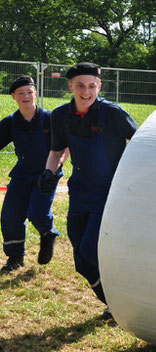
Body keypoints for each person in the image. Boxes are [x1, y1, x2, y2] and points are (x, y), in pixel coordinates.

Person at [38, 62, 138, 318]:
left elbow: (140, 144)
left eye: (92, 86)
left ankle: (125, 300)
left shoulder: (113, 114)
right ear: (70, 86)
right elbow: (57, 151)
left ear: (99, 86)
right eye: (80, 86)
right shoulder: (60, 116)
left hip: (109, 193)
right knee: (81, 261)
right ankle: (114, 304)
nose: (86, 92)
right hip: (80, 192)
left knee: (90, 251)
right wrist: (50, 172)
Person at [0, 75, 68, 273]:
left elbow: (65, 147)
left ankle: (47, 234)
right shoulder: (10, 122)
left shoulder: (50, 118)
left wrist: (54, 169)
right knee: (10, 215)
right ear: (13, 96)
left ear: (35, 93)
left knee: (37, 214)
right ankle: (15, 258)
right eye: (21, 93)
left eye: (29, 92)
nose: (26, 96)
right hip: (22, 174)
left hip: (47, 174)